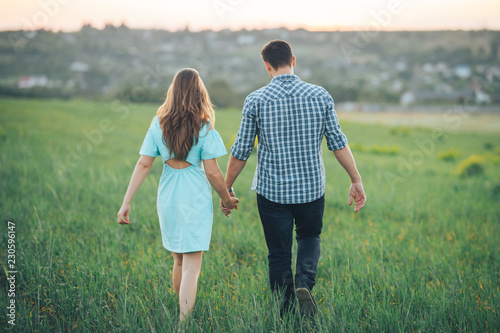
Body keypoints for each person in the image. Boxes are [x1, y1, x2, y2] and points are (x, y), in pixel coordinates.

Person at [221, 40, 366, 317]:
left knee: (278, 254)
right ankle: (304, 284)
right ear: (293, 60)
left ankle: (285, 315)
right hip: (311, 189)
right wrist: (356, 179)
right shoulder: (320, 95)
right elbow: (337, 142)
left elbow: (241, 150)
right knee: (310, 237)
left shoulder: (256, 100)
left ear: (267, 66)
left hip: (271, 192)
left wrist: (226, 188)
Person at [117, 68, 239, 324]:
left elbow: (143, 164)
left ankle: (181, 309)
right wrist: (227, 198)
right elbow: (214, 173)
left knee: (179, 261)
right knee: (192, 266)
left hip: (169, 195)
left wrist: (126, 202)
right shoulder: (204, 126)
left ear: (173, 91)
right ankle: (184, 324)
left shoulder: (158, 122)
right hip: (194, 196)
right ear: (199, 93)